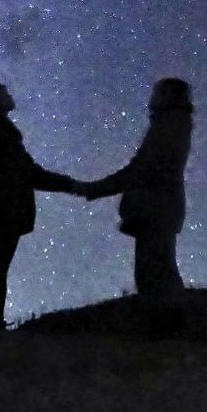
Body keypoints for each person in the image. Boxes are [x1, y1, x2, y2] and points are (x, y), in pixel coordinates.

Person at [0, 82, 79, 329]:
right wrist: (72, 185)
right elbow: (27, 172)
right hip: (1, 212)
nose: (10, 96)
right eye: (5, 94)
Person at [82, 77, 194, 298]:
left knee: (154, 275)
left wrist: (95, 189)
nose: (151, 99)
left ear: (167, 95)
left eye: (157, 93)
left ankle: (169, 327)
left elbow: (142, 169)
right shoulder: (171, 123)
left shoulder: (170, 124)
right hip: (159, 209)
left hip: (156, 209)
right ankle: (169, 326)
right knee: (158, 271)